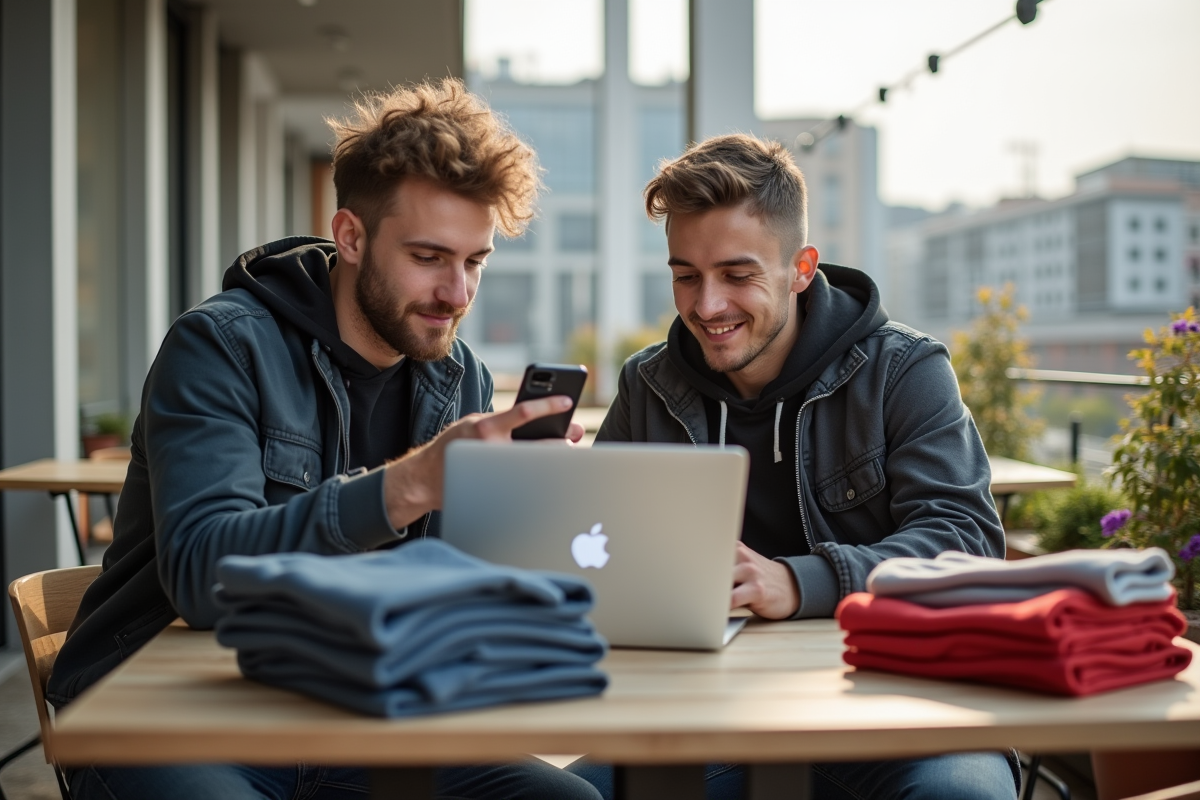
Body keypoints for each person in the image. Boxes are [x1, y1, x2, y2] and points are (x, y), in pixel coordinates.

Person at [49, 79, 603, 800]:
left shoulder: (455, 374)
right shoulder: (220, 346)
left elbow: (450, 589)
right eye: (430, 257)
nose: (458, 294)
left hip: (359, 711)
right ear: (350, 236)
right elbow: (202, 578)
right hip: (174, 710)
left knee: (566, 798)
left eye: (475, 261)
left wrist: (535, 527)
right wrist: (411, 484)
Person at [567, 134, 1018, 800]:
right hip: (704, 716)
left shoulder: (905, 369)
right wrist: (559, 501)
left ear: (801, 267)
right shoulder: (649, 384)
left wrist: (798, 582)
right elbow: (598, 557)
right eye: (686, 275)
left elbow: (967, 542)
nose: (707, 305)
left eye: (737, 274)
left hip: (904, 714)